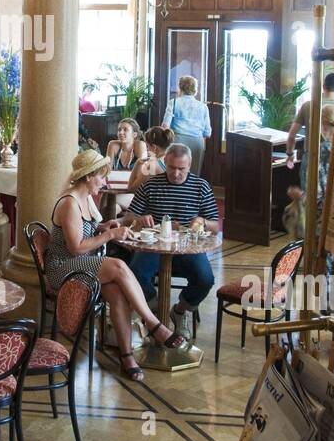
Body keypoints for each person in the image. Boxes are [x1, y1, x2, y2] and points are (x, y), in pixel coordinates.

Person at [47, 148, 185, 383]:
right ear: (89, 177)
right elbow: (76, 248)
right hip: (65, 267)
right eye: (101, 176)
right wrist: (111, 236)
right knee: (119, 266)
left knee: (117, 293)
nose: (105, 181)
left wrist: (104, 227)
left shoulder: (86, 197)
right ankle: (153, 324)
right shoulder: (70, 202)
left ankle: (126, 355)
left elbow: (86, 231)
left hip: (82, 264)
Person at [121, 143, 220, 338]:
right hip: (153, 246)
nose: (175, 173)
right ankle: (155, 309)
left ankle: (180, 310)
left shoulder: (201, 186)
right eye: (172, 168)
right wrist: (138, 219)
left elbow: (215, 226)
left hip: (187, 247)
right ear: (165, 162)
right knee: (135, 274)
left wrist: (202, 221)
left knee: (205, 279)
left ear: (190, 165)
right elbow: (128, 216)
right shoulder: (151, 184)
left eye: (181, 169)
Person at [286, 71, 334, 188]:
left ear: (324, 86)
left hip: (311, 159)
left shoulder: (308, 105)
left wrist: (290, 154)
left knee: (308, 197)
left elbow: (292, 135)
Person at [162, 75, 212, 180]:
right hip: (197, 142)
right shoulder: (203, 107)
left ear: (180, 88)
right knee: (193, 174)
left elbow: (165, 126)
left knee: (174, 173)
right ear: (195, 89)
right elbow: (207, 133)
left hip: (178, 139)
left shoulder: (173, 102)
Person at [127, 125, 175, 193]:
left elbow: (131, 188)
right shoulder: (174, 158)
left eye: (147, 146)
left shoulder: (152, 165)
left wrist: (137, 163)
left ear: (154, 147)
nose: (147, 149)